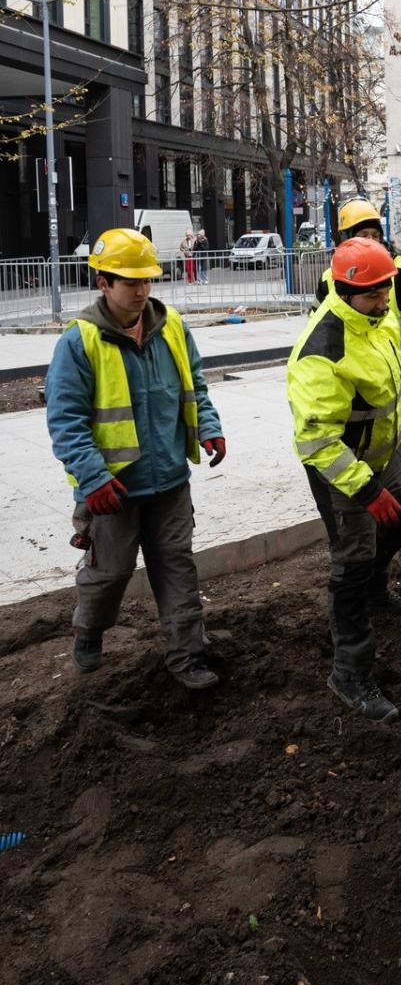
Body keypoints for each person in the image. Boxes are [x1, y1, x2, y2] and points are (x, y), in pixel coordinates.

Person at [44, 227, 227, 690]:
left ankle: (188, 656)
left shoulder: (173, 329)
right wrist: (92, 478)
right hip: (113, 490)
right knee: (111, 573)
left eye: (148, 279)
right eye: (130, 281)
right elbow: (66, 421)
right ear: (103, 282)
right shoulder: (79, 342)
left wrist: (208, 425)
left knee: (176, 567)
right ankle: (89, 631)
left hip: (169, 480)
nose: (142, 290)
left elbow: (195, 386)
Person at [287, 238, 401, 722]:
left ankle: (376, 594)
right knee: (352, 564)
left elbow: (390, 379)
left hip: (381, 457)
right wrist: (365, 490)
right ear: (343, 290)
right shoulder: (322, 349)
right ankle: (349, 671)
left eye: (386, 291)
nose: (385, 301)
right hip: (343, 475)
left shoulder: (373, 322)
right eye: (373, 294)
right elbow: (318, 441)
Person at [318, 198, 401, 573]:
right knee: (354, 470)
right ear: (345, 240)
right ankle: (360, 548)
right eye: (363, 235)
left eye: (376, 235)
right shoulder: (332, 281)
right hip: (356, 397)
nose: (372, 242)